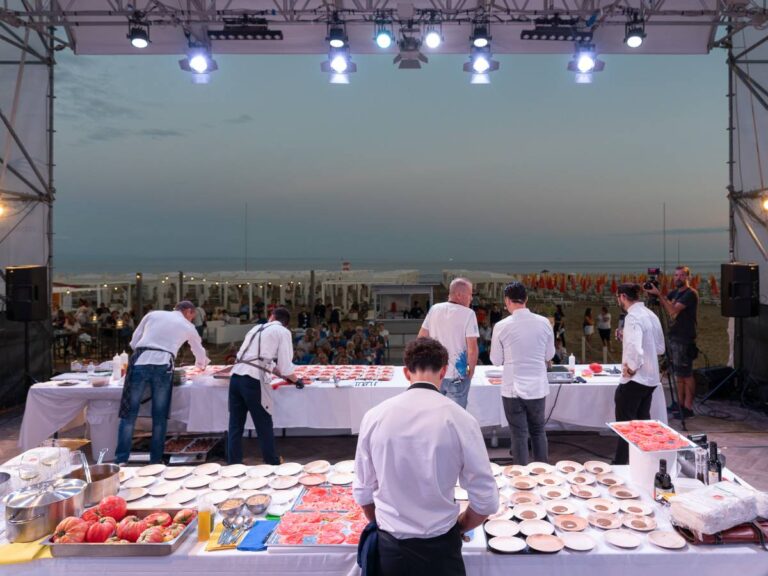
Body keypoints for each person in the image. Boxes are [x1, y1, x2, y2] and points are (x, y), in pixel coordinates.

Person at [353, 337, 499, 576]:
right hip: (441, 549)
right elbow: (487, 502)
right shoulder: (460, 419)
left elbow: (363, 492)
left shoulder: (375, 416)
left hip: (392, 549)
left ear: (406, 373)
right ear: (443, 372)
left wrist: (380, 522)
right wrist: (460, 526)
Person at [116, 301, 209, 464]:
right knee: (159, 416)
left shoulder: (153, 314)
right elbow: (198, 351)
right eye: (192, 316)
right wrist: (201, 365)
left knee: (129, 414)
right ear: (188, 311)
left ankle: (121, 459)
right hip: (163, 363)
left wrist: (145, 350)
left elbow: (134, 340)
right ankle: (155, 460)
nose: (192, 319)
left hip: (140, 359)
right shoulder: (187, 326)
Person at [490, 282, 555, 465]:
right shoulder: (544, 323)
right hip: (537, 386)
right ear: (526, 299)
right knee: (538, 430)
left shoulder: (501, 326)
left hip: (512, 388)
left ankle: (522, 478)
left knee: (518, 434)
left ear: (507, 301)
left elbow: (495, 360)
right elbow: (550, 355)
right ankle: (544, 473)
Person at [228, 307, 301, 465]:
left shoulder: (256, 328)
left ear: (271, 316)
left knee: (235, 424)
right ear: (285, 323)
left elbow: (256, 357)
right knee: (263, 422)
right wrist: (296, 380)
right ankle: (271, 461)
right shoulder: (282, 332)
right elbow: (285, 366)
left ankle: (233, 463)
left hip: (236, 376)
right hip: (253, 379)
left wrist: (275, 369)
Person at [613, 284, 665, 464]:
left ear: (622, 297)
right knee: (643, 422)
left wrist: (631, 368)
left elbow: (635, 348)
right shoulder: (651, 315)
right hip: (651, 380)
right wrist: (625, 337)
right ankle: (647, 461)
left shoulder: (633, 317)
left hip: (636, 378)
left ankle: (621, 463)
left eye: (618, 298)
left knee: (625, 426)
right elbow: (659, 348)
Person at [418, 278, 479, 408]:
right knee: (456, 415)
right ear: (459, 295)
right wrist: (470, 371)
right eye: (470, 294)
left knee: (434, 412)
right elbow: (472, 349)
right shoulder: (468, 314)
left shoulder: (434, 309)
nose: (471, 298)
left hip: (435, 372)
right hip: (458, 376)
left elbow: (421, 339)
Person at [647, 266, 699, 419]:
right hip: (673, 336)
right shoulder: (674, 293)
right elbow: (662, 300)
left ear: (688, 277)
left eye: (682, 275)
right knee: (678, 373)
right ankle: (679, 404)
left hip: (684, 337)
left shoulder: (690, 294)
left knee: (686, 373)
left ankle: (688, 407)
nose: (678, 278)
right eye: (676, 275)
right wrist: (653, 293)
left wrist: (659, 294)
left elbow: (672, 310)